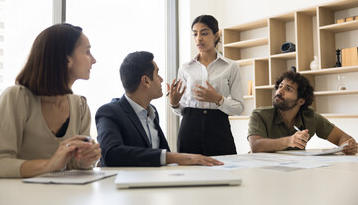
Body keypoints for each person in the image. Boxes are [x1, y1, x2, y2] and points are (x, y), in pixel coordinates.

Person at [0, 23, 101, 178]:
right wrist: (50, 164)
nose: (94, 60)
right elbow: (1, 162)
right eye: (87, 52)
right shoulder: (16, 98)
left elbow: (74, 164)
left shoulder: (80, 105)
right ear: (67, 60)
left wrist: (87, 159)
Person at [96, 51, 223, 167]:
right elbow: (110, 154)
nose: (161, 79)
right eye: (157, 73)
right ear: (146, 81)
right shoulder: (109, 112)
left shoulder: (153, 112)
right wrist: (174, 157)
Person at [167, 15, 244, 156]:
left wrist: (218, 99)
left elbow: (239, 108)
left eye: (204, 33)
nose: (199, 38)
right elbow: (181, 111)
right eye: (195, 34)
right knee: (190, 174)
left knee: (225, 171)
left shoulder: (231, 66)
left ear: (216, 36)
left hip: (219, 126)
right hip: (189, 127)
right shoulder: (185, 68)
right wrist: (174, 104)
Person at [248, 71, 357, 155]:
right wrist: (288, 141)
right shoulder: (259, 115)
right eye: (280, 86)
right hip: (262, 168)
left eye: (288, 89)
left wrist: (347, 145)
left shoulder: (310, 117)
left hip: (295, 169)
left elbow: (343, 138)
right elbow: (256, 146)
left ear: (300, 101)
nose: (280, 91)